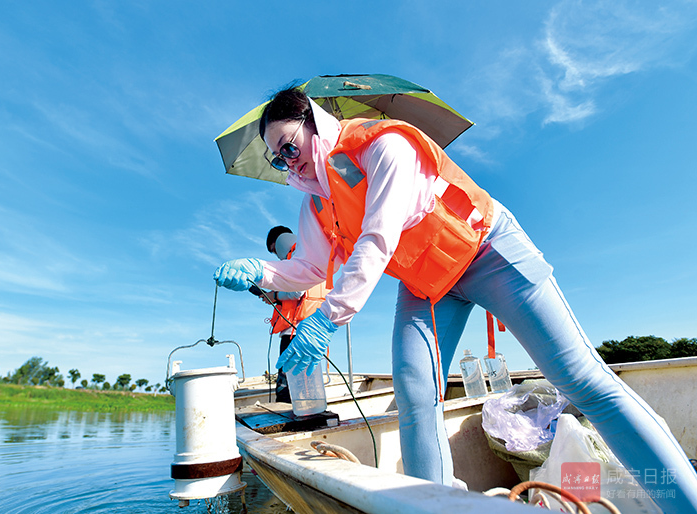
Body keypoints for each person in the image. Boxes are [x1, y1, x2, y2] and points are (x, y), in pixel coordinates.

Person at [214, 86, 697, 511]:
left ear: (313, 122)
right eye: (277, 158)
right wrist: (263, 270)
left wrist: (328, 320)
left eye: (288, 146)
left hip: (487, 249)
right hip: (428, 285)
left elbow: (377, 241)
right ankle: (434, 505)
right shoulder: (316, 202)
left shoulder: (386, 145)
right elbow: (311, 270)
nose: (286, 161)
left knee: (581, 379)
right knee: (414, 392)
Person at [254, 225, 329, 402]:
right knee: (307, 386)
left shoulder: (295, 257)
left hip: (294, 332)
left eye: (274, 250)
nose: (276, 256)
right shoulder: (312, 252)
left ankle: (289, 423)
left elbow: (297, 292)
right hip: (313, 329)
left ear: (278, 242)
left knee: (286, 389)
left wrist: (275, 296)